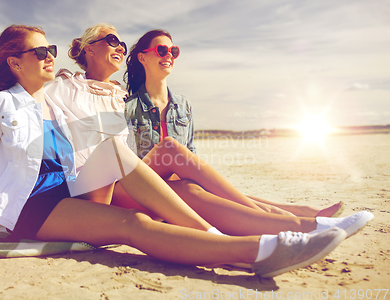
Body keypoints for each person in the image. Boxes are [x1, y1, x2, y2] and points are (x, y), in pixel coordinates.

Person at [0, 24, 352, 278]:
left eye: (51, 49)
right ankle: (251, 250)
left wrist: (108, 116)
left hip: (73, 188)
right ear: (15, 62)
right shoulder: (4, 103)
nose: (50, 56)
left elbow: (89, 139)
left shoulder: (50, 97)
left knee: (135, 162)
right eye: (40, 51)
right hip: (32, 207)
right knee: (134, 221)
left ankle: (247, 234)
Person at [48, 23, 371, 237]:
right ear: (88, 48)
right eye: (110, 40)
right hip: (94, 184)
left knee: (191, 190)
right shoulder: (65, 86)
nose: (118, 46)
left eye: (121, 42)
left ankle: (303, 225)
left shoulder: (121, 95)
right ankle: (297, 218)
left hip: (128, 179)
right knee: (171, 150)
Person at [123, 29, 345, 218]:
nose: (169, 55)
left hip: (180, 184)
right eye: (162, 50)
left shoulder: (183, 105)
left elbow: (190, 152)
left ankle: (301, 211)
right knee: (198, 182)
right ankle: (273, 215)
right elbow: (128, 163)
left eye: (174, 51)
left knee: (215, 192)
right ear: (143, 57)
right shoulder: (128, 107)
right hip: (148, 189)